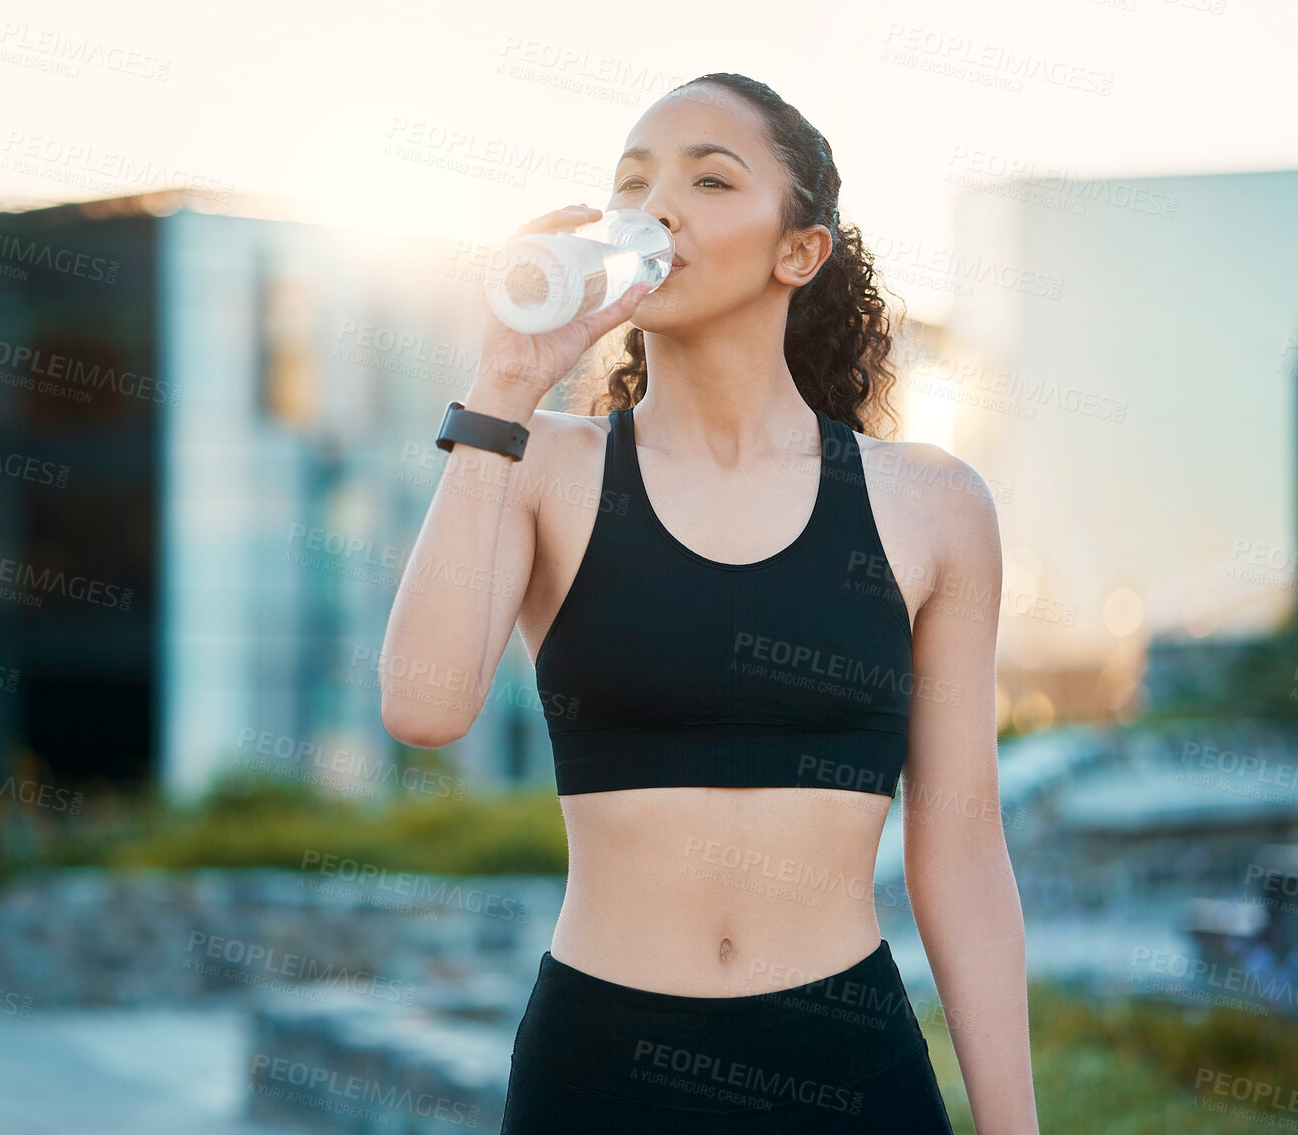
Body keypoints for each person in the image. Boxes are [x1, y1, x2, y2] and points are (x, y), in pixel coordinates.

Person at [379, 72, 1039, 1133]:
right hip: (598, 1072)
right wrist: (503, 383)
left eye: (709, 178)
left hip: (845, 1067)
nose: (660, 204)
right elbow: (422, 705)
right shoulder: (542, 462)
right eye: (633, 182)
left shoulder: (931, 505)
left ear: (798, 252)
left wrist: (1013, 1128)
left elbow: (959, 848)